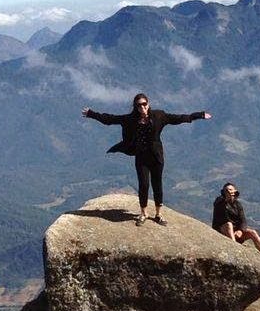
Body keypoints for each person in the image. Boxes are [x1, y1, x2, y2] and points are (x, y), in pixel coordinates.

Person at [82, 93, 211, 226]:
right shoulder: (130, 119)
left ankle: (158, 214)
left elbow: (178, 118)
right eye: (139, 105)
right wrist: (91, 114)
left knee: (157, 184)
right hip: (141, 157)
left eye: (144, 104)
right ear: (135, 107)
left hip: (156, 157)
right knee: (143, 185)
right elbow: (109, 119)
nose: (142, 107)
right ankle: (143, 213)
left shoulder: (159, 116)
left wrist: (199, 115)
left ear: (148, 104)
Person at [212, 182, 260, 263]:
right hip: (222, 231)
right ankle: (235, 250)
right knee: (229, 224)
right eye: (226, 190)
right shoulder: (220, 203)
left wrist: (240, 230)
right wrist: (225, 198)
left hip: (235, 232)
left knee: (252, 232)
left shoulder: (237, 205)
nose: (228, 191)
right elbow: (223, 219)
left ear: (235, 191)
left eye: (230, 190)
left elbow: (243, 220)